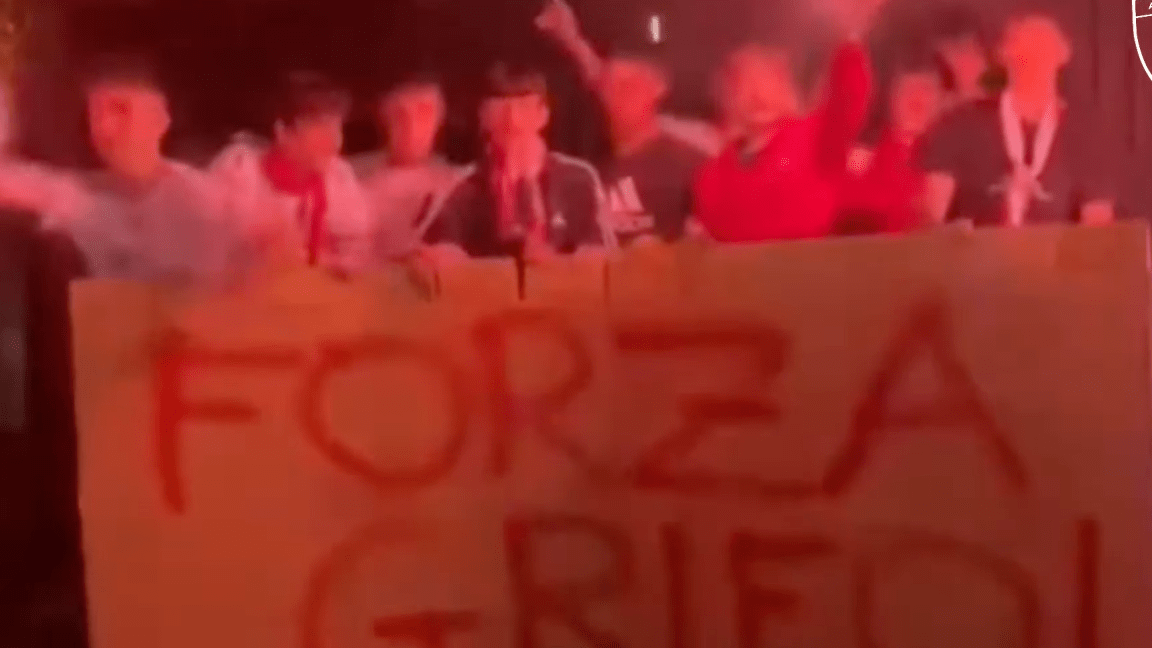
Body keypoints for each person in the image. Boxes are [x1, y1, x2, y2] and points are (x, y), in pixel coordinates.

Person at [0, 54, 243, 287]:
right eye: (96, 115)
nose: (106, 128)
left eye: (121, 109)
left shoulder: (210, 204)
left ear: (161, 117)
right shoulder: (77, 198)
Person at [691, 0, 882, 243]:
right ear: (728, 98)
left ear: (787, 88)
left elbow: (848, 96)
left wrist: (850, 36)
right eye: (744, 82)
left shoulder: (815, 139)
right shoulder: (712, 178)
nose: (757, 94)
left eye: (767, 79)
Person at [918, 13, 1114, 227]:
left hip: (1056, 249)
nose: (1032, 57)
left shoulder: (1087, 134)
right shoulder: (959, 124)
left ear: (1064, 53)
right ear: (1003, 54)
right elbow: (930, 219)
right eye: (1022, 45)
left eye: (1043, 46)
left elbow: (1098, 226)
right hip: (978, 248)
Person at [420, 64, 613, 261]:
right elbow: (435, 251)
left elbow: (601, 254)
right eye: (500, 110)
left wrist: (556, 263)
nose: (512, 120)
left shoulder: (578, 178)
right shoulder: (461, 189)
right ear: (483, 117)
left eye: (524, 108)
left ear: (543, 114)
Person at [210, 72, 370, 274]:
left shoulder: (338, 178)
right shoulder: (239, 170)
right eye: (320, 129)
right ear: (283, 132)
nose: (334, 142)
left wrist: (318, 261)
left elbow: (359, 255)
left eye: (337, 128)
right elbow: (209, 247)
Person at [535, 0, 723, 156]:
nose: (616, 99)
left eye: (629, 88)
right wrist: (570, 38)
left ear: (658, 89)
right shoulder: (588, 159)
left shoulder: (690, 151)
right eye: (611, 89)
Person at [350, 75, 461, 263]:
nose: (412, 127)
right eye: (401, 116)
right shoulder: (349, 182)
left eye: (423, 114)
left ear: (439, 119)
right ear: (384, 118)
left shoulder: (459, 186)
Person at [838, 50, 944, 234]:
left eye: (926, 89)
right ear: (890, 99)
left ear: (941, 100)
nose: (916, 99)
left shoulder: (954, 158)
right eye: (907, 90)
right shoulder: (861, 160)